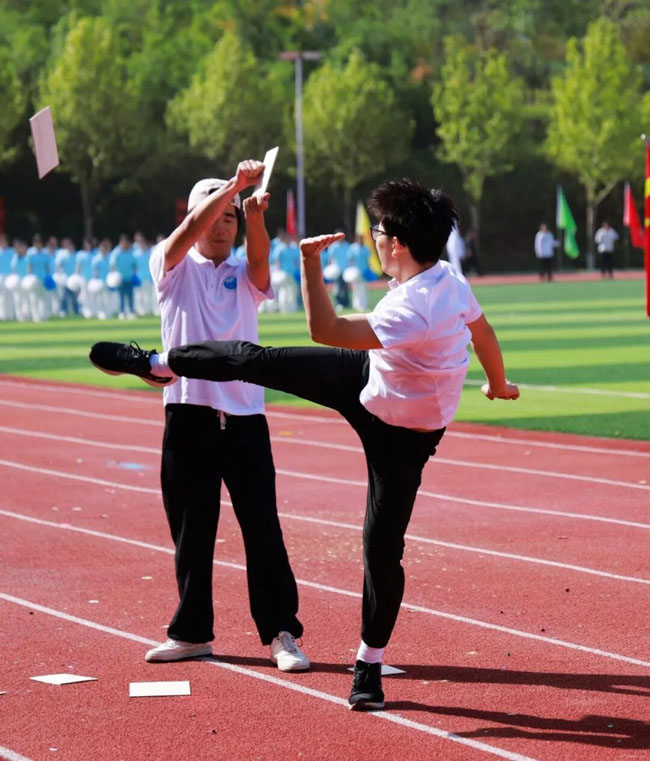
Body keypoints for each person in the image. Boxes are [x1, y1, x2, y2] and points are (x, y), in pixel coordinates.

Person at [89, 178, 519, 709]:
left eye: (378, 231)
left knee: (381, 551)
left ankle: (369, 664)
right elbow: (483, 331)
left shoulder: (412, 309)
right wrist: (497, 384)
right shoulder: (449, 278)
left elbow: (325, 329)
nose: (373, 238)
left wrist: (310, 264)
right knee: (260, 361)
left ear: (399, 245)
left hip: (401, 437)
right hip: (367, 380)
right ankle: (159, 363)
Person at [91, 159, 309, 672]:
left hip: (245, 417)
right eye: (215, 216)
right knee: (192, 532)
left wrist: (254, 214)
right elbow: (188, 230)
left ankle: (281, 632)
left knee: (263, 529)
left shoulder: (244, 275)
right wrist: (233, 187)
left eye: (230, 218)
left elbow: (260, 260)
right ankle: (191, 632)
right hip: (188, 414)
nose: (221, 226)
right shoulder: (170, 267)